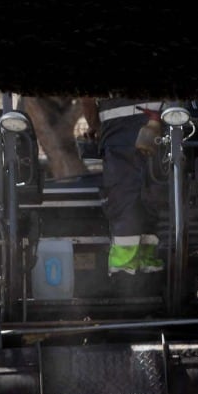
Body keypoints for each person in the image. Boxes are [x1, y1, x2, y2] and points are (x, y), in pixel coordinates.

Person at [82, 97, 164, 275]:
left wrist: (97, 126)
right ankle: (149, 261)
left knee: (125, 199)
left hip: (118, 135)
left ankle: (124, 267)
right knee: (154, 196)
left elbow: (87, 100)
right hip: (160, 132)